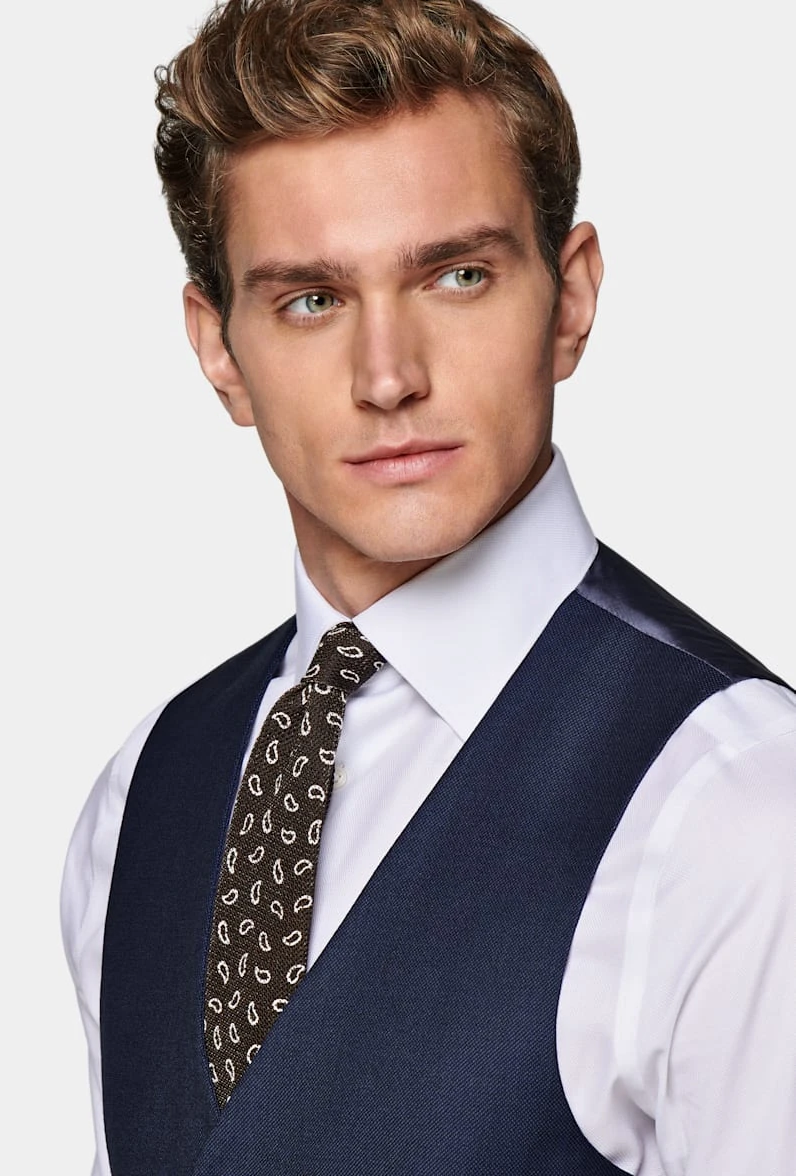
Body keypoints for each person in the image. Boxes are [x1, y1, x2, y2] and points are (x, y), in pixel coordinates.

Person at [60, 1, 796, 1173]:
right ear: (219, 349)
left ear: (571, 297)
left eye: (457, 276)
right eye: (311, 299)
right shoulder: (140, 796)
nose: (387, 376)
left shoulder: (739, 806)